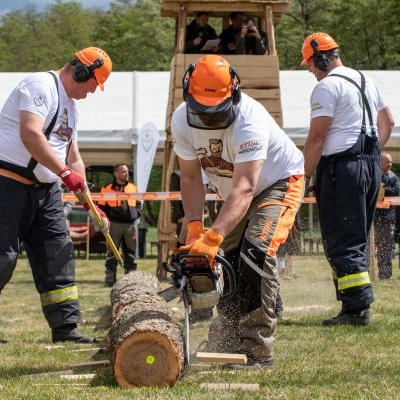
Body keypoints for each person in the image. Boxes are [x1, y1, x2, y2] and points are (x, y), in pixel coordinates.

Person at [172, 54, 304, 370]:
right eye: (201, 112)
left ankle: (258, 351)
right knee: (227, 260)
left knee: (255, 251)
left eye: (216, 112)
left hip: (278, 182)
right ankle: (229, 334)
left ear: (233, 94)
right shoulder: (180, 121)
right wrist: (194, 229)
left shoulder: (250, 120)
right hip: (237, 194)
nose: (209, 118)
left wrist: (213, 235)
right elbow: (190, 178)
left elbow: (246, 187)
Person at [0, 47, 112, 344]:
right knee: (2, 257)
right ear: (81, 71)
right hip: (7, 185)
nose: (93, 90)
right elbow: (30, 133)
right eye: (93, 83)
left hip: (46, 191)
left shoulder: (72, 109)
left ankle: (66, 329)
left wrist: (92, 206)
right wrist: (64, 173)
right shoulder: (40, 86)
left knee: (57, 255)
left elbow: (74, 159)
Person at [301, 32, 394, 326]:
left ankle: (356, 308)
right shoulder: (365, 81)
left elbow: (316, 138)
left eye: (311, 65)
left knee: (341, 239)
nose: (311, 72)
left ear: (321, 58)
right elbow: (387, 122)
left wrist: (300, 178)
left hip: (342, 168)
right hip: (368, 166)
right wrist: (374, 156)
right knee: (353, 237)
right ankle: (350, 304)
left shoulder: (327, 87)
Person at [98, 164, 141, 287]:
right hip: (114, 225)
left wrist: (136, 214)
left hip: (129, 225)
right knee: (112, 251)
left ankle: (130, 278)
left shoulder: (133, 187)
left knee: (130, 251)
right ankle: (110, 278)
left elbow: (139, 203)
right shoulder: (106, 188)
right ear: (116, 173)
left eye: (127, 171)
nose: (126, 174)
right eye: (123, 172)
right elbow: (101, 208)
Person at [374, 152, 400, 280]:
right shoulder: (373, 175)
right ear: (380, 162)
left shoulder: (393, 178)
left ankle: (385, 275)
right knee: (367, 248)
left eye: (390, 162)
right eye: (387, 161)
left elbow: (397, 191)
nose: (390, 164)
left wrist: (381, 189)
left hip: (387, 219)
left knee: (386, 249)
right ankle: (367, 273)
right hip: (371, 219)